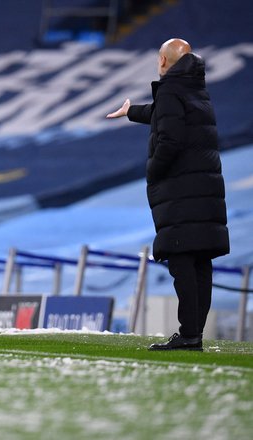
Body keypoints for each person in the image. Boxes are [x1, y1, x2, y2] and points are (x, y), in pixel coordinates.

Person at [106, 38, 229, 351]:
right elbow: (166, 115)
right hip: (205, 190)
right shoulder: (194, 87)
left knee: (181, 260)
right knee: (200, 260)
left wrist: (154, 172)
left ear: (163, 61)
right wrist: (131, 111)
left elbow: (170, 140)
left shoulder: (173, 89)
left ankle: (189, 335)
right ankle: (194, 334)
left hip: (182, 191)